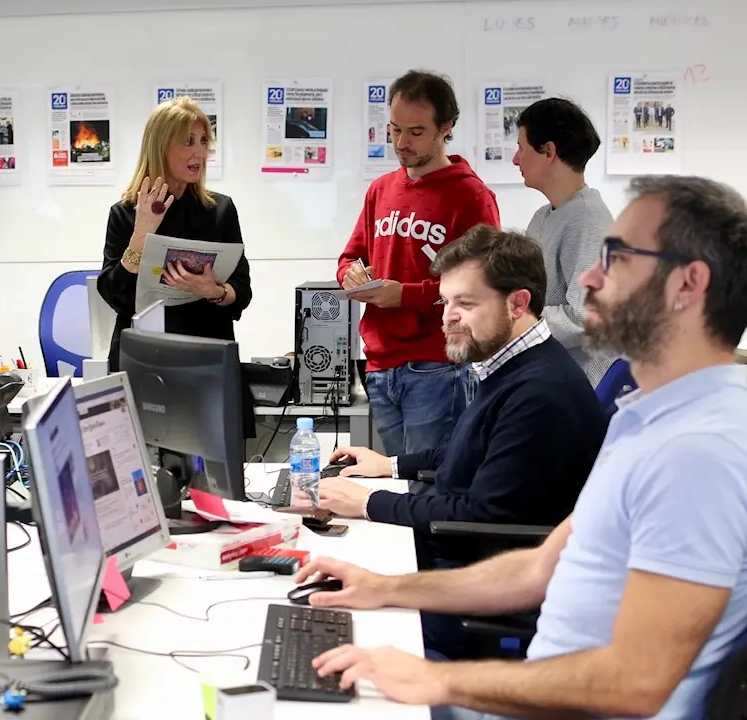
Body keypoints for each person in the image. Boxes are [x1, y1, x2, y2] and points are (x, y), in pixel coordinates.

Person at [301, 175, 747, 720]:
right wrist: (386, 587)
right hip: (539, 684)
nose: (589, 278)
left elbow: (637, 682)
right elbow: (537, 569)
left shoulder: (698, 451)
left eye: (616, 260)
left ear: (688, 284)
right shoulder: (647, 418)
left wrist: (437, 679)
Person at [313, 224, 608, 659]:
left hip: (472, 585)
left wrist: (369, 502)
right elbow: (469, 451)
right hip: (455, 558)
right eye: (445, 301)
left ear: (517, 303)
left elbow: (480, 514)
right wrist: (389, 466)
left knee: (329, 625)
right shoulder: (509, 364)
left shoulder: (540, 392)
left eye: (465, 303)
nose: (447, 316)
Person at [337, 70, 501, 456]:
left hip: (437, 365)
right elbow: (349, 257)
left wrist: (405, 296)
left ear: (446, 128)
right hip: (380, 365)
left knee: (429, 482)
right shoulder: (381, 190)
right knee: (398, 480)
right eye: (394, 130)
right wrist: (350, 274)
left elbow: (482, 285)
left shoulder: (471, 196)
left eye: (415, 132)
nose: (400, 143)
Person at [97, 96, 251, 370]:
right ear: (160, 147)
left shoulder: (220, 210)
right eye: (188, 142)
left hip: (208, 354)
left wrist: (214, 291)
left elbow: (242, 290)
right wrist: (142, 233)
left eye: (203, 141)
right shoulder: (125, 213)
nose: (200, 153)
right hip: (143, 356)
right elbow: (115, 296)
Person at [513, 97, 616, 385]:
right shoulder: (543, 216)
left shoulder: (588, 220)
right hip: (546, 371)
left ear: (548, 151)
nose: (515, 159)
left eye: (521, 148)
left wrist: (514, 320)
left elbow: (587, 317)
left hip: (579, 384)